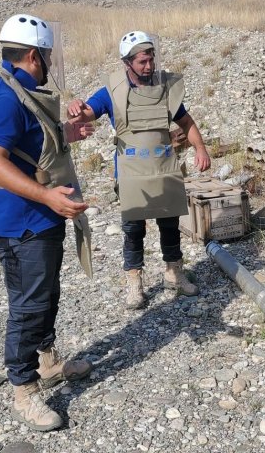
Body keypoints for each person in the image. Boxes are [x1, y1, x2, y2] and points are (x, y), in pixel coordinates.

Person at [0, 13, 95, 432]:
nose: (49, 62)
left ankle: (48, 363)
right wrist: (46, 195)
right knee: (28, 307)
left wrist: (70, 131)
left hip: (41, 220)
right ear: (31, 55)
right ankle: (23, 388)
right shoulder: (3, 97)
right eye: (46, 55)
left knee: (46, 295)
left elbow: (33, 140)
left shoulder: (22, 91)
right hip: (21, 224)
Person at [67, 31, 211, 309]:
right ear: (128, 63)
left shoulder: (165, 89)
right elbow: (87, 113)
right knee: (133, 230)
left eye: (151, 60)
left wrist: (200, 148)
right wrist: (76, 109)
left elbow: (186, 122)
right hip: (131, 171)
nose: (149, 66)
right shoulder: (113, 90)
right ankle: (134, 283)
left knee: (169, 225)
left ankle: (174, 273)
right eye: (143, 61)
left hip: (164, 167)